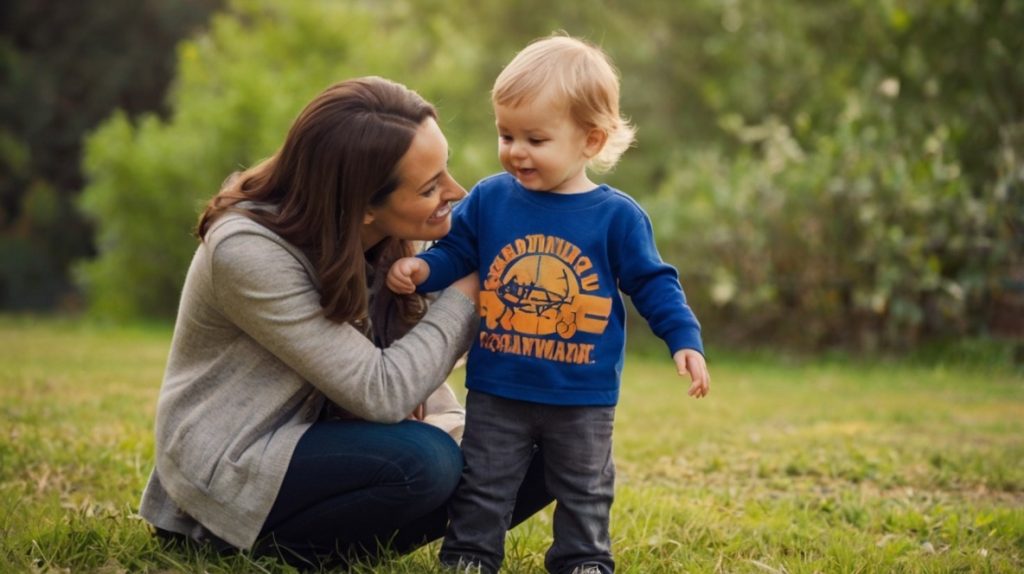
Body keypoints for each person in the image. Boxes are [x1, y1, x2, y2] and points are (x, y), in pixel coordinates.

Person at [137, 76, 552, 569]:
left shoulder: (393, 236)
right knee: (424, 462)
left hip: (345, 441)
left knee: (551, 448)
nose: (455, 192)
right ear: (363, 206)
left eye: (445, 170)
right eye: (429, 186)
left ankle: (335, 548)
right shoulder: (247, 249)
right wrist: (472, 290)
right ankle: (245, 547)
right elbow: (382, 391)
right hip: (239, 466)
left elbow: (425, 363)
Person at [387, 35, 711, 574]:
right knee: (485, 480)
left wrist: (684, 339)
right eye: (505, 134)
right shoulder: (490, 199)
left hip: (582, 393)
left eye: (535, 138)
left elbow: (655, 283)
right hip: (499, 385)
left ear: (591, 140)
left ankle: (582, 558)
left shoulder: (616, 218)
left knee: (585, 486)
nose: (516, 151)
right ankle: (470, 554)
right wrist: (424, 270)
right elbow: (457, 251)